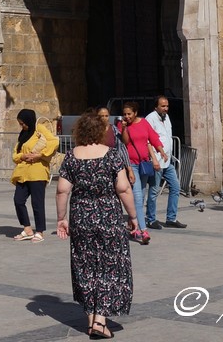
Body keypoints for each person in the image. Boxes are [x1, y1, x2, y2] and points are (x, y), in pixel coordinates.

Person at [56, 111, 138, 340]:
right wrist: (133, 217)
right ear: (101, 132)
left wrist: (61, 218)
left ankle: (91, 318)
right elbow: (123, 188)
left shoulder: (71, 157)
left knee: (85, 265)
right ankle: (100, 322)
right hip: (109, 218)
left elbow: (62, 190)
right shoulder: (112, 156)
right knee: (109, 266)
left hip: (81, 218)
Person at [119, 101, 164, 244]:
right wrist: (125, 129)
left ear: (135, 113)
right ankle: (142, 230)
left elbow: (153, 137)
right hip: (131, 165)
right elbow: (124, 142)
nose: (127, 116)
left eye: (129, 114)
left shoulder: (144, 123)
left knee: (141, 195)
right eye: (125, 114)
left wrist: (161, 151)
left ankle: (134, 223)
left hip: (144, 163)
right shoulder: (122, 126)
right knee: (137, 196)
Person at [11, 108, 59, 242]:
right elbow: (15, 154)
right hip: (23, 173)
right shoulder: (22, 135)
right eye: (20, 124)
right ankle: (27, 228)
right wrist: (23, 156)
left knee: (37, 203)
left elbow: (54, 141)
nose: (22, 126)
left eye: (23, 123)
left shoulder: (39, 129)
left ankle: (40, 231)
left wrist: (40, 155)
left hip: (37, 173)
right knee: (18, 200)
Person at [144, 96, 186, 230]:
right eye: (162, 106)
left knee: (175, 186)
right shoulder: (150, 119)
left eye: (167, 106)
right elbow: (148, 141)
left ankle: (171, 218)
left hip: (167, 160)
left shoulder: (166, 117)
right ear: (156, 106)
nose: (165, 108)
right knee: (154, 190)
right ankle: (151, 219)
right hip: (157, 161)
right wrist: (154, 159)